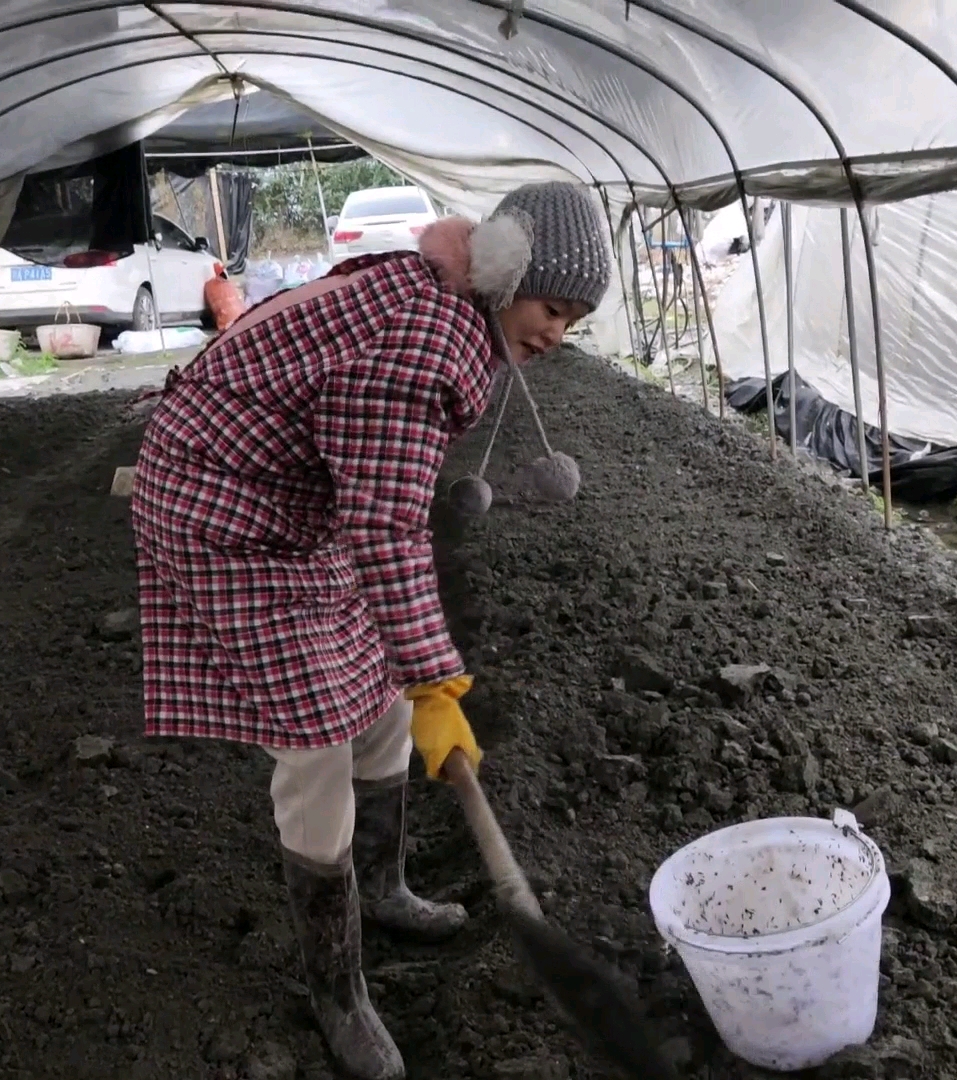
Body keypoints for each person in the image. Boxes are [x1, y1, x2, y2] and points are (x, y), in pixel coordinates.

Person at [128, 181, 612, 1080]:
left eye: (575, 321)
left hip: (295, 502)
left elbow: (377, 510)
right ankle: (339, 993)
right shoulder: (425, 345)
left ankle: (384, 887)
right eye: (552, 308)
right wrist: (437, 677)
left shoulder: (448, 301)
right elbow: (387, 528)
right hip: (222, 514)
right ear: (506, 275)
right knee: (314, 739)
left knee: (378, 683)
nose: (556, 334)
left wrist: (413, 676)